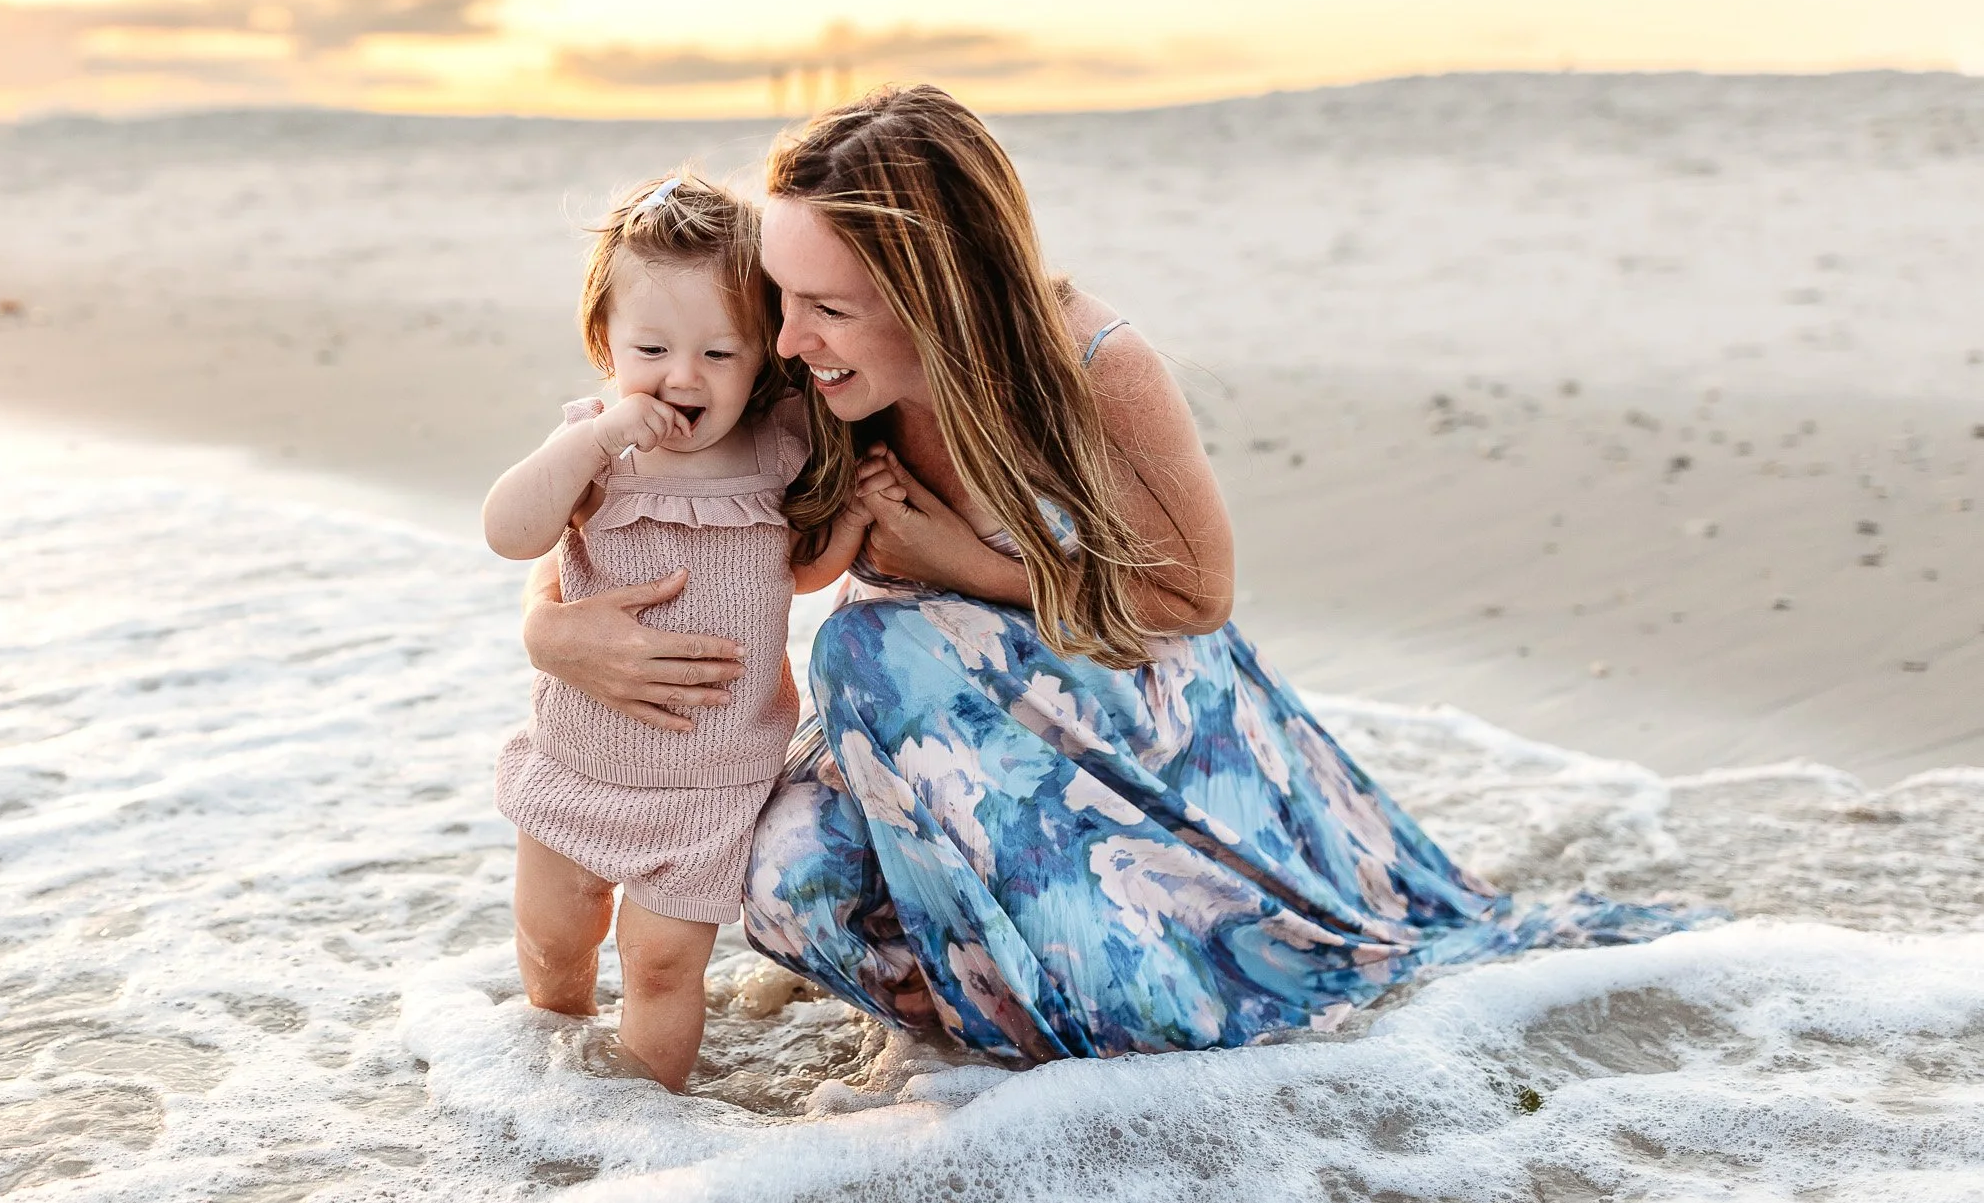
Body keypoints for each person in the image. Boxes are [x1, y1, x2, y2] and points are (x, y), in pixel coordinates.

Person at [525, 87, 1685, 1065]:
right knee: (783, 884)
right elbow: (635, 515)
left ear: (938, 296)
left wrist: (957, 561)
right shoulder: (801, 373)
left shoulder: (1094, 370)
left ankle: (1063, 1035)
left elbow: (1193, 600)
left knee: (870, 643)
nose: (785, 340)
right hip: (925, 730)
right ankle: (961, 1039)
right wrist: (553, 635)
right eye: (781, 298)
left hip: (1128, 706)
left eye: (827, 307)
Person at [483, 172, 867, 1089]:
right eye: (651, 347)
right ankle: (551, 1090)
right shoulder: (594, 449)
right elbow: (509, 532)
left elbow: (794, 575)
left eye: (719, 353)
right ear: (604, 343)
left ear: (765, 358)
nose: (682, 377)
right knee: (554, 941)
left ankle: (646, 1129)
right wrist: (590, 441)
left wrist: (848, 531)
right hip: (580, 759)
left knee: (661, 966)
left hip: (708, 786)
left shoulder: (778, 450)